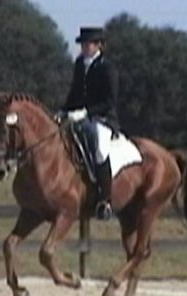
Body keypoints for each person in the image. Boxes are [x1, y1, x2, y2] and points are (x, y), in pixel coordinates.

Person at [56, 27, 119, 220]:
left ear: (98, 45)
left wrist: (86, 112)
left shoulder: (107, 68)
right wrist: (64, 110)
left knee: (99, 147)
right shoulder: (79, 64)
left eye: (88, 44)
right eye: (82, 44)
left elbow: (110, 100)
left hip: (102, 118)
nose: (84, 47)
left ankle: (105, 200)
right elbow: (74, 92)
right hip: (78, 116)